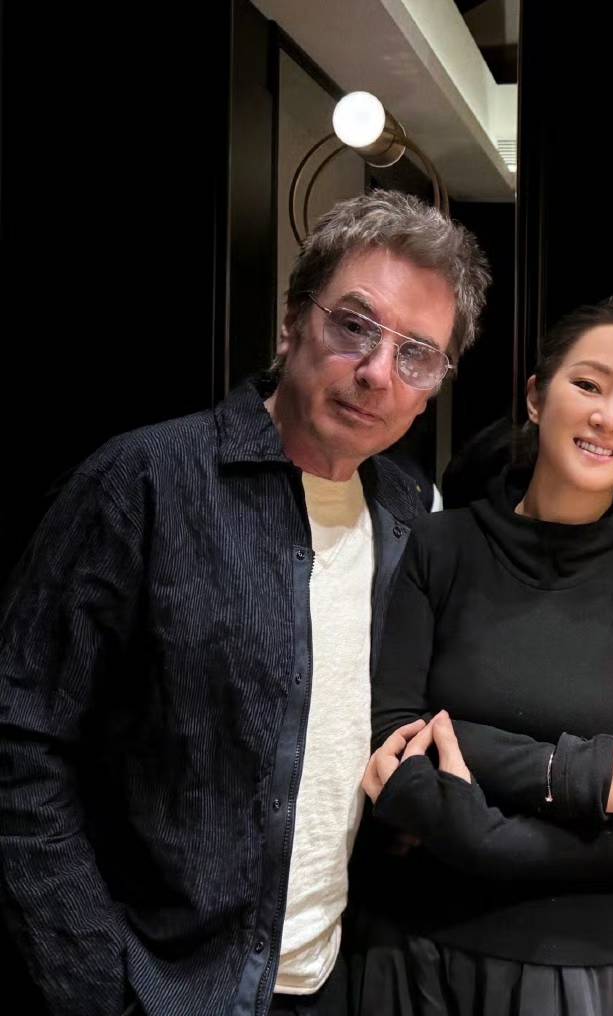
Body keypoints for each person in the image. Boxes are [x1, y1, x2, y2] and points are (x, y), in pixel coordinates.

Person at [0, 189, 490, 1016]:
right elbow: (22, 742)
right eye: (354, 326)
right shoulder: (143, 483)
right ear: (293, 321)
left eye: (416, 355)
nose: (377, 372)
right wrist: (98, 986)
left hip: (334, 978)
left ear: (434, 385)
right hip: (161, 986)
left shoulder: (411, 514)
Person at [353, 300, 613, 1016]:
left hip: (604, 968)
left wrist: (479, 835)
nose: (609, 418)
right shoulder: (441, 545)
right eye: (588, 385)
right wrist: (596, 777)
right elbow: (393, 741)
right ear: (536, 397)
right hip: (420, 951)